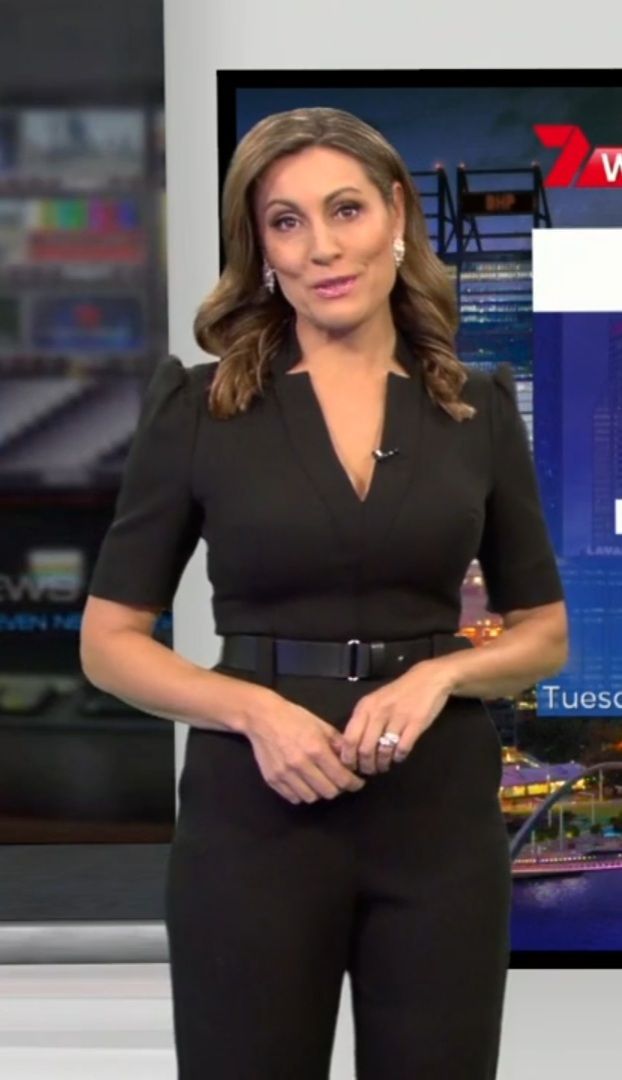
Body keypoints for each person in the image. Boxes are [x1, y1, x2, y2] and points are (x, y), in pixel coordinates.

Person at [80, 106, 569, 1079]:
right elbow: (109, 641)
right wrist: (253, 711)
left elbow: (544, 634)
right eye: (285, 222)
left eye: (345, 210)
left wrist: (438, 677)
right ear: (260, 249)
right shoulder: (199, 407)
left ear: (396, 215)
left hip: (438, 822)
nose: (321, 248)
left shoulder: (474, 408)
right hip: (252, 820)